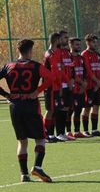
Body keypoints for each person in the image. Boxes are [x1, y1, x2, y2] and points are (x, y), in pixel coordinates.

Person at [0, 39, 54, 182]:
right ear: (29, 50)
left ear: (18, 50)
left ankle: (24, 174)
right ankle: (37, 167)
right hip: (30, 105)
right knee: (40, 139)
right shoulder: (36, 66)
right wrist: (37, 91)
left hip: (15, 106)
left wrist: (6, 95)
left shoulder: (8, 66)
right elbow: (50, 78)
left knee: (22, 142)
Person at [80, 34, 100, 137]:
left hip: (97, 85)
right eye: (93, 42)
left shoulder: (97, 54)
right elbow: (88, 71)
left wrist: (99, 82)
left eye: (96, 42)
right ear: (88, 42)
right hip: (89, 86)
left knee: (96, 106)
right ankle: (85, 130)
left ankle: (94, 129)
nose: (95, 44)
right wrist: (96, 81)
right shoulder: (84, 54)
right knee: (87, 107)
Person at [43, 32, 63, 143]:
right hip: (50, 87)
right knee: (49, 110)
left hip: (56, 87)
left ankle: (51, 134)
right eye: (60, 39)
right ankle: (45, 134)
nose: (61, 42)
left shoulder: (57, 53)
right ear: (56, 40)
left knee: (54, 110)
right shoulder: (49, 54)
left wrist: (60, 86)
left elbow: (59, 71)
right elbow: (52, 73)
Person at [69, 37, 89, 139]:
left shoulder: (81, 58)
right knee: (69, 111)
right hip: (72, 89)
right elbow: (71, 73)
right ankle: (67, 132)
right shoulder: (68, 58)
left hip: (80, 89)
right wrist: (81, 83)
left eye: (79, 44)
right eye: (76, 44)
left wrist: (84, 83)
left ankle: (77, 131)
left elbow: (85, 72)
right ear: (71, 45)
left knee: (78, 110)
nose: (78, 46)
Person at [57, 30, 75, 141]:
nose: (66, 40)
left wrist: (72, 79)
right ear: (59, 39)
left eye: (67, 37)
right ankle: (56, 133)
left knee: (66, 108)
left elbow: (71, 67)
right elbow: (59, 69)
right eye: (64, 38)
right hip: (61, 84)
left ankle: (62, 133)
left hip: (68, 84)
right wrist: (67, 81)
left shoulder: (67, 51)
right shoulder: (56, 52)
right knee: (59, 109)